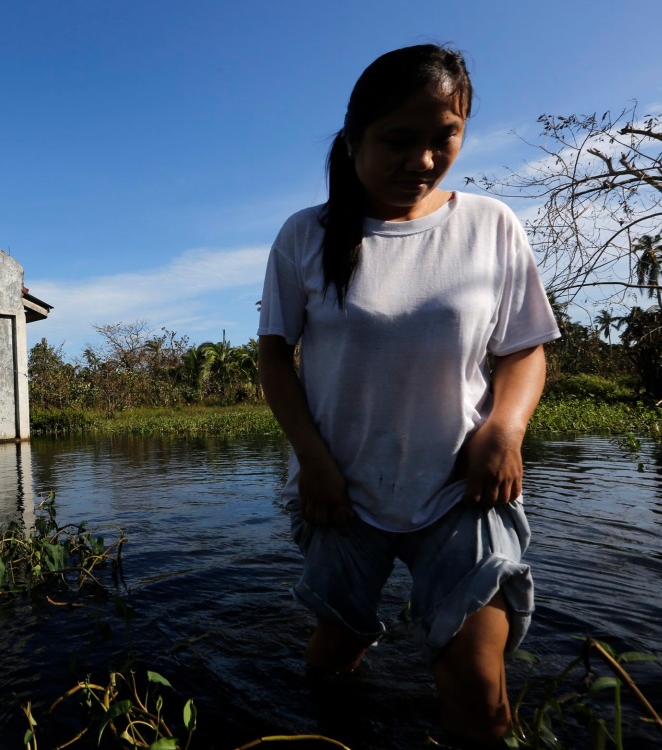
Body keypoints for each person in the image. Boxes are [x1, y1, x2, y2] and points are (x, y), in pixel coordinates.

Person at [257, 45, 560, 746]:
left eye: (443, 138)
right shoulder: (305, 236)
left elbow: (524, 349)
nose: (423, 160)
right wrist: (315, 462)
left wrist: (504, 428)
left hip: (463, 486)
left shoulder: (490, 225)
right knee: (336, 656)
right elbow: (276, 354)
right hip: (342, 489)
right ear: (354, 135)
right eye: (400, 140)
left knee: (478, 684)